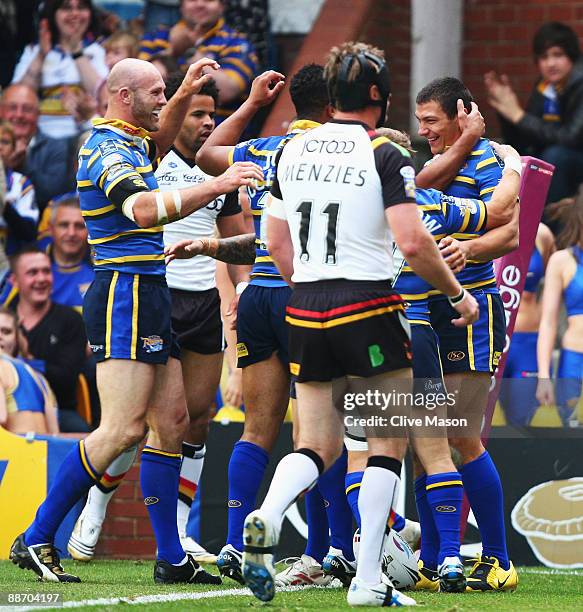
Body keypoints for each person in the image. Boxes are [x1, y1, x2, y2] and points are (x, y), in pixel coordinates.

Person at [234, 42, 478, 607]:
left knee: (315, 441)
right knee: (387, 442)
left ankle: (268, 515)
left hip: (305, 304)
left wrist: (308, 286)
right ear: (379, 97)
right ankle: (368, 581)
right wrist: (457, 295)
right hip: (368, 306)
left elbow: (273, 240)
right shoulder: (385, 154)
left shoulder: (290, 151)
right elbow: (414, 242)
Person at [8, 57, 263, 584]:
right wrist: (218, 186)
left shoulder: (130, 140)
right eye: (156, 93)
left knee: (169, 426)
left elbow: (159, 145)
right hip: (123, 292)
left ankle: (170, 558)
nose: (163, 102)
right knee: (121, 429)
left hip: (151, 291)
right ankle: (37, 536)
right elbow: (144, 210)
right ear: (124, 97)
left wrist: (189, 86)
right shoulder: (103, 148)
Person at [67, 75, 250, 565]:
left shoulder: (211, 165)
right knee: (131, 426)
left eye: (212, 114)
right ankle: (90, 508)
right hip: (147, 294)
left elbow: (242, 240)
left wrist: (236, 285)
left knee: (188, 420)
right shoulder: (145, 154)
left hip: (197, 300)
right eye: (195, 112)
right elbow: (143, 210)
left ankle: (176, 541)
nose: (206, 121)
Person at [191, 64, 357, 587]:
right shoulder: (347, 152)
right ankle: (323, 553)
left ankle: (235, 544)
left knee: (256, 429)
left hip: (258, 292)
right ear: (334, 107)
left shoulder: (266, 148)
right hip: (308, 295)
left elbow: (206, 155)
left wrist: (252, 105)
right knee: (318, 434)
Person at [415, 76, 519, 592]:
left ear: (462, 113)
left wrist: (468, 251)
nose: (424, 131)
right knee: (424, 434)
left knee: (459, 434)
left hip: (472, 312)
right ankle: (433, 561)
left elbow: (511, 231)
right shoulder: (438, 163)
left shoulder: (491, 161)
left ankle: (499, 560)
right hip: (423, 310)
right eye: (419, 123)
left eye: (432, 120)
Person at [484, 22, 583, 205]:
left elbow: (571, 138)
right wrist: (506, 113)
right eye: (544, 57)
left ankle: (549, 227)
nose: (550, 63)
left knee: (555, 157)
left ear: (572, 57)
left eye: (558, 55)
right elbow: (523, 142)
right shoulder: (545, 87)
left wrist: (519, 116)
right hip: (557, 156)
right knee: (500, 153)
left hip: (573, 158)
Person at [139, 0, 259, 130]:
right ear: (182, 4)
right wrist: (172, 54)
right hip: (160, 131)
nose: (200, 4)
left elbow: (227, 91)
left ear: (222, 6)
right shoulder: (157, 37)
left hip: (217, 135)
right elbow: (141, 86)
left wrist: (189, 53)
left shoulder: (236, 42)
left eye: (209, 0)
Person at [11, 0, 109, 139]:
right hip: (39, 138)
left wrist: (76, 51)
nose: (74, 14)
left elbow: (104, 97)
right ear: (53, 14)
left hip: (87, 135)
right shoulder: (34, 51)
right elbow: (17, 97)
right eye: (66, 8)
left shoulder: (99, 50)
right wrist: (41, 55)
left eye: (81, 7)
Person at [499, 223, 555, 426]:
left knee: (520, 419)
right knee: (477, 421)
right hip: (491, 338)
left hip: (528, 342)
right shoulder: (482, 223)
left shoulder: (542, 234)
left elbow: (555, 284)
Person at [537, 190, 583, 427]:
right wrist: (544, 376)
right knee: (573, 441)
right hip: (573, 362)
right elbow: (548, 322)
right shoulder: (562, 260)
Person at [0, 84, 78, 210]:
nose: (19, 115)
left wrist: (23, 165)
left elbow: (55, 197)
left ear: (38, 114)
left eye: (27, 109)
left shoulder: (57, 148)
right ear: (1, 111)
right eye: (12, 108)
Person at [0, 307, 59, 435]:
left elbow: (1, 418)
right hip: (42, 450)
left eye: (6, 331)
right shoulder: (39, 377)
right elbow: (54, 433)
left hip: (14, 451)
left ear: (17, 339)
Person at [0, 121, 39, 255]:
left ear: (13, 149)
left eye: (4, 142)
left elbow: (29, 233)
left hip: (11, 264)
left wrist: (4, 206)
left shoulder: (21, 184)